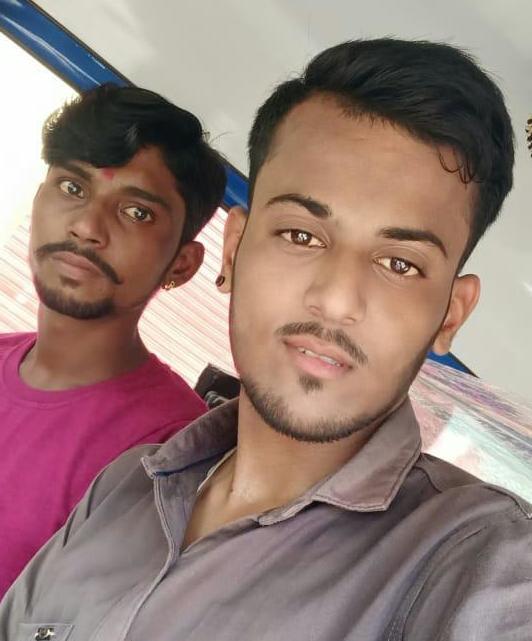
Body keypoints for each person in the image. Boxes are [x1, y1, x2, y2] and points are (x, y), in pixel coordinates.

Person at [1, 38, 530, 641]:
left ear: (449, 317)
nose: (336, 299)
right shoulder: (128, 484)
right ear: (233, 251)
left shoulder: (479, 566)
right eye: (301, 236)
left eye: (400, 264)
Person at [0, 84, 226, 597]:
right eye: (72, 187)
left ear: (182, 264)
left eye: (136, 212)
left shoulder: (171, 453)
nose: (86, 226)